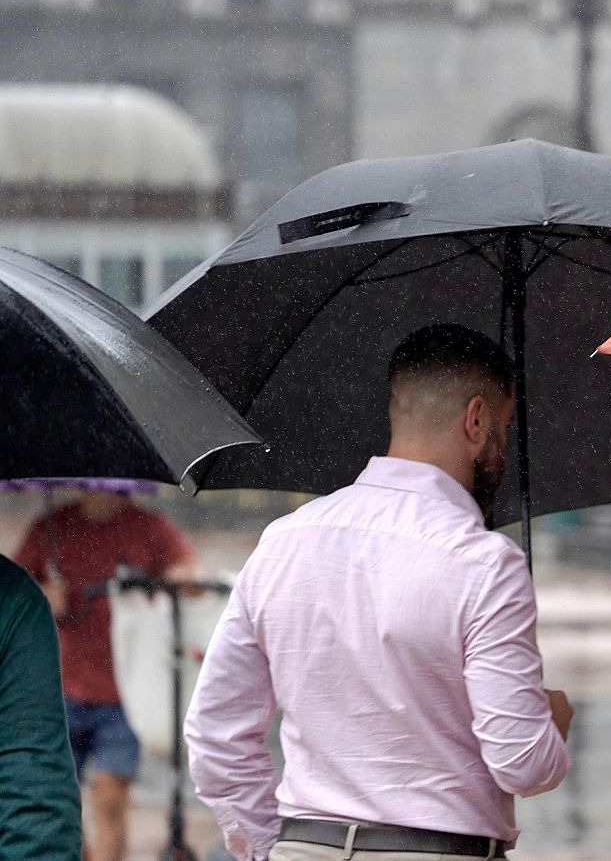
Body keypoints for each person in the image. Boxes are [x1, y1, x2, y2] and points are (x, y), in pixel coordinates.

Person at [185, 323, 572, 861]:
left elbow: (216, 735)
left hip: (303, 848)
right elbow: (523, 765)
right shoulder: (486, 565)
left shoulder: (284, 541)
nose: (502, 449)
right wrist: (552, 722)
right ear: (477, 419)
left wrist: (277, 848)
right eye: (503, 429)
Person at [17, 483, 196, 861]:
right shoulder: (51, 527)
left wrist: (180, 579)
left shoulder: (149, 527)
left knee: (110, 795)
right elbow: (15, 583)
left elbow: (186, 570)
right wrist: (42, 594)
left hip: (125, 689)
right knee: (59, 797)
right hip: (61, 684)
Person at [0, 554, 83, 859]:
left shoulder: (12, 597)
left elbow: (33, 787)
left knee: (108, 787)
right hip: (66, 693)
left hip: (82, 690)